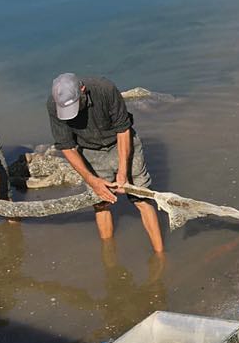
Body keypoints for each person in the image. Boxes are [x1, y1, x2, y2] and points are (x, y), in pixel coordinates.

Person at [46, 73, 164, 253]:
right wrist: (92, 180)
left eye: (76, 106)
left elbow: (123, 129)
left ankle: (160, 254)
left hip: (120, 141)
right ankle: (109, 256)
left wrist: (123, 172)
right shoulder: (54, 105)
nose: (73, 114)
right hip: (89, 150)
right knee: (101, 202)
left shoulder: (105, 89)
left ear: (83, 90)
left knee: (142, 199)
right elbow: (67, 146)